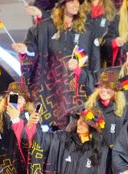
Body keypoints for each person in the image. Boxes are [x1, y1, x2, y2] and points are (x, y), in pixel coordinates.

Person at [13, 0, 100, 129]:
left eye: (78, 2)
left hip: (76, 94)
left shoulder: (87, 31)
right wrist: (25, 49)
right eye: (72, 1)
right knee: (49, 137)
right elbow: (33, 50)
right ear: (62, 4)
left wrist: (86, 78)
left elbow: (94, 63)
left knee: (74, 134)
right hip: (50, 93)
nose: (76, 5)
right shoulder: (45, 28)